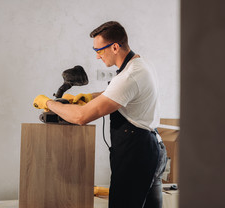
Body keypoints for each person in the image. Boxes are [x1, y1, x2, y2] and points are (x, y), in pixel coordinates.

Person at [33, 21, 167, 208]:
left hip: (136, 153)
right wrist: (89, 97)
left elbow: (81, 117)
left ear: (114, 47)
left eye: (99, 50)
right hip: (153, 148)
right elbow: (119, 93)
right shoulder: (140, 64)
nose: (97, 56)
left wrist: (48, 103)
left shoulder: (129, 76)